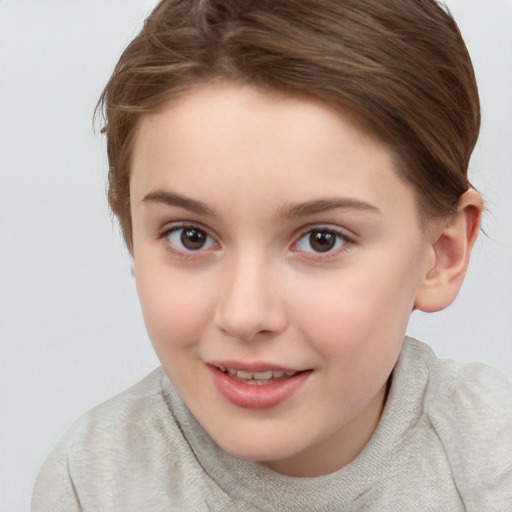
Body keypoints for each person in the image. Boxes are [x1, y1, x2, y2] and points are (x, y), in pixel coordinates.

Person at [32, 0, 512, 510]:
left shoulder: (491, 459)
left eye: (321, 240)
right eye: (190, 237)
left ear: (441, 254)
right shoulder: (92, 483)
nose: (245, 315)